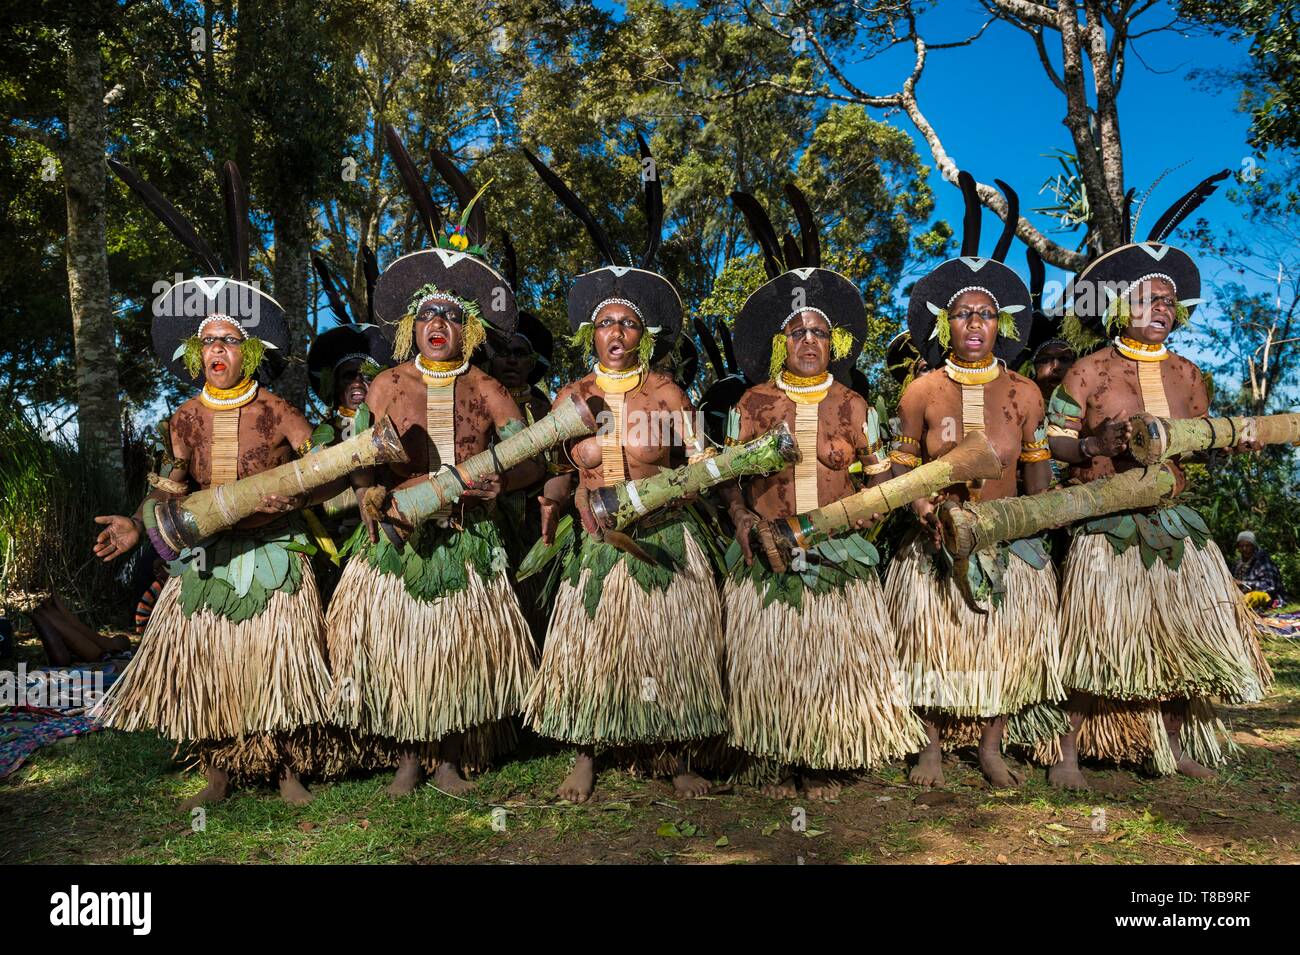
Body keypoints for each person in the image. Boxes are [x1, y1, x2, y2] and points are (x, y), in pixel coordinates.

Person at [92, 160, 339, 808]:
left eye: (229, 340)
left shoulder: (277, 409)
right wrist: (134, 521)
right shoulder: (184, 418)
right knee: (209, 661)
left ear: (250, 351)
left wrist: (307, 494)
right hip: (205, 554)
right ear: (196, 355)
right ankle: (218, 772)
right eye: (208, 343)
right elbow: (171, 490)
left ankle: (287, 769)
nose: (218, 351)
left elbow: (326, 467)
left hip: (273, 551)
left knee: (275, 664)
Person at [323, 128, 541, 797]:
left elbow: (532, 456)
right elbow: (362, 456)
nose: (436, 324)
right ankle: (407, 758)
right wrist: (367, 495)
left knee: (454, 651)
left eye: (449, 314)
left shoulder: (488, 387)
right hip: (397, 533)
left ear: (468, 327)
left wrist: (502, 481)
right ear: (411, 327)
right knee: (399, 648)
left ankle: (448, 759)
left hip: (468, 535)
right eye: (426, 316)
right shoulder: (386, 383)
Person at [1045, 170, 1271, 786]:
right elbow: (1049, 442)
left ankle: (1171, 746)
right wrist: (1092, 442)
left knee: (1181, 637)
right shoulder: (1088, 371)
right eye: (1149, 299)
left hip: (1174, 524)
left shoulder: (1190, 374)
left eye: (1169, 301)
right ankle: (1066, 753)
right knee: (1094, 640)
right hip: (1104, 522)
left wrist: (1223, 447)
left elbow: (1197, 443)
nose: (1161, 310)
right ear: (1122, 306)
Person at [521, 137, 727, 803]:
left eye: (628, 323)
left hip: (664, 536)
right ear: (592, 331)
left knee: (670, 652)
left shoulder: (666, 393)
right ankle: (586, 753)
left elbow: (699, 462)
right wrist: (550, 507)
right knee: (591, 653)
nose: (616, 332)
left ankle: (676, 754)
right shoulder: (569, 396)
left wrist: (712, 465)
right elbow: (556, 470)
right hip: (595, 542)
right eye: (606, 322)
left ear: (644, 334)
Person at [718, 186, 926, 799]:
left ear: (835, 343)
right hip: (769, 549)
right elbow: (727, 477)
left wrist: (888, 497)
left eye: (821, 332)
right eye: (798, 332)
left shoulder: (856, 404)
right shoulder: (751, 404)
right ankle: (782, 759)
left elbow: (878, 472)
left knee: (832, 664)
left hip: (837, 552)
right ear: (783, 342)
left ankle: (827, 755)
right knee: (776, 662)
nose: (810, 341)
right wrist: (738, 517)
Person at [886, 173, 1064, 788]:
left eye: (986, 315)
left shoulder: (1023, 391)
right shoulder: (922, 391)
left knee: (1005, 645)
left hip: (1007, 537)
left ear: (1002, 326)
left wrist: (1038, 523)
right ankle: (931, 747)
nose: (975, 324)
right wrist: (921, 513)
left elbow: (1036, 465)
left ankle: (991, 746)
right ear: (944, 325)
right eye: (963, 315)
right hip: (936, 535)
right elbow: (904, 466)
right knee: (930, 642)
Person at [1232, 531, 1286, 610]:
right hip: (1242, 595)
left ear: (1253, 546)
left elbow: (1270, 586)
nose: (1244, 549)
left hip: (1267, 596)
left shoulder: (1263, 561)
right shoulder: (1238, 564)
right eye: (1241, 546)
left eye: (1248, 545)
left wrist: (1243, 584)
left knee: (1250, 597)